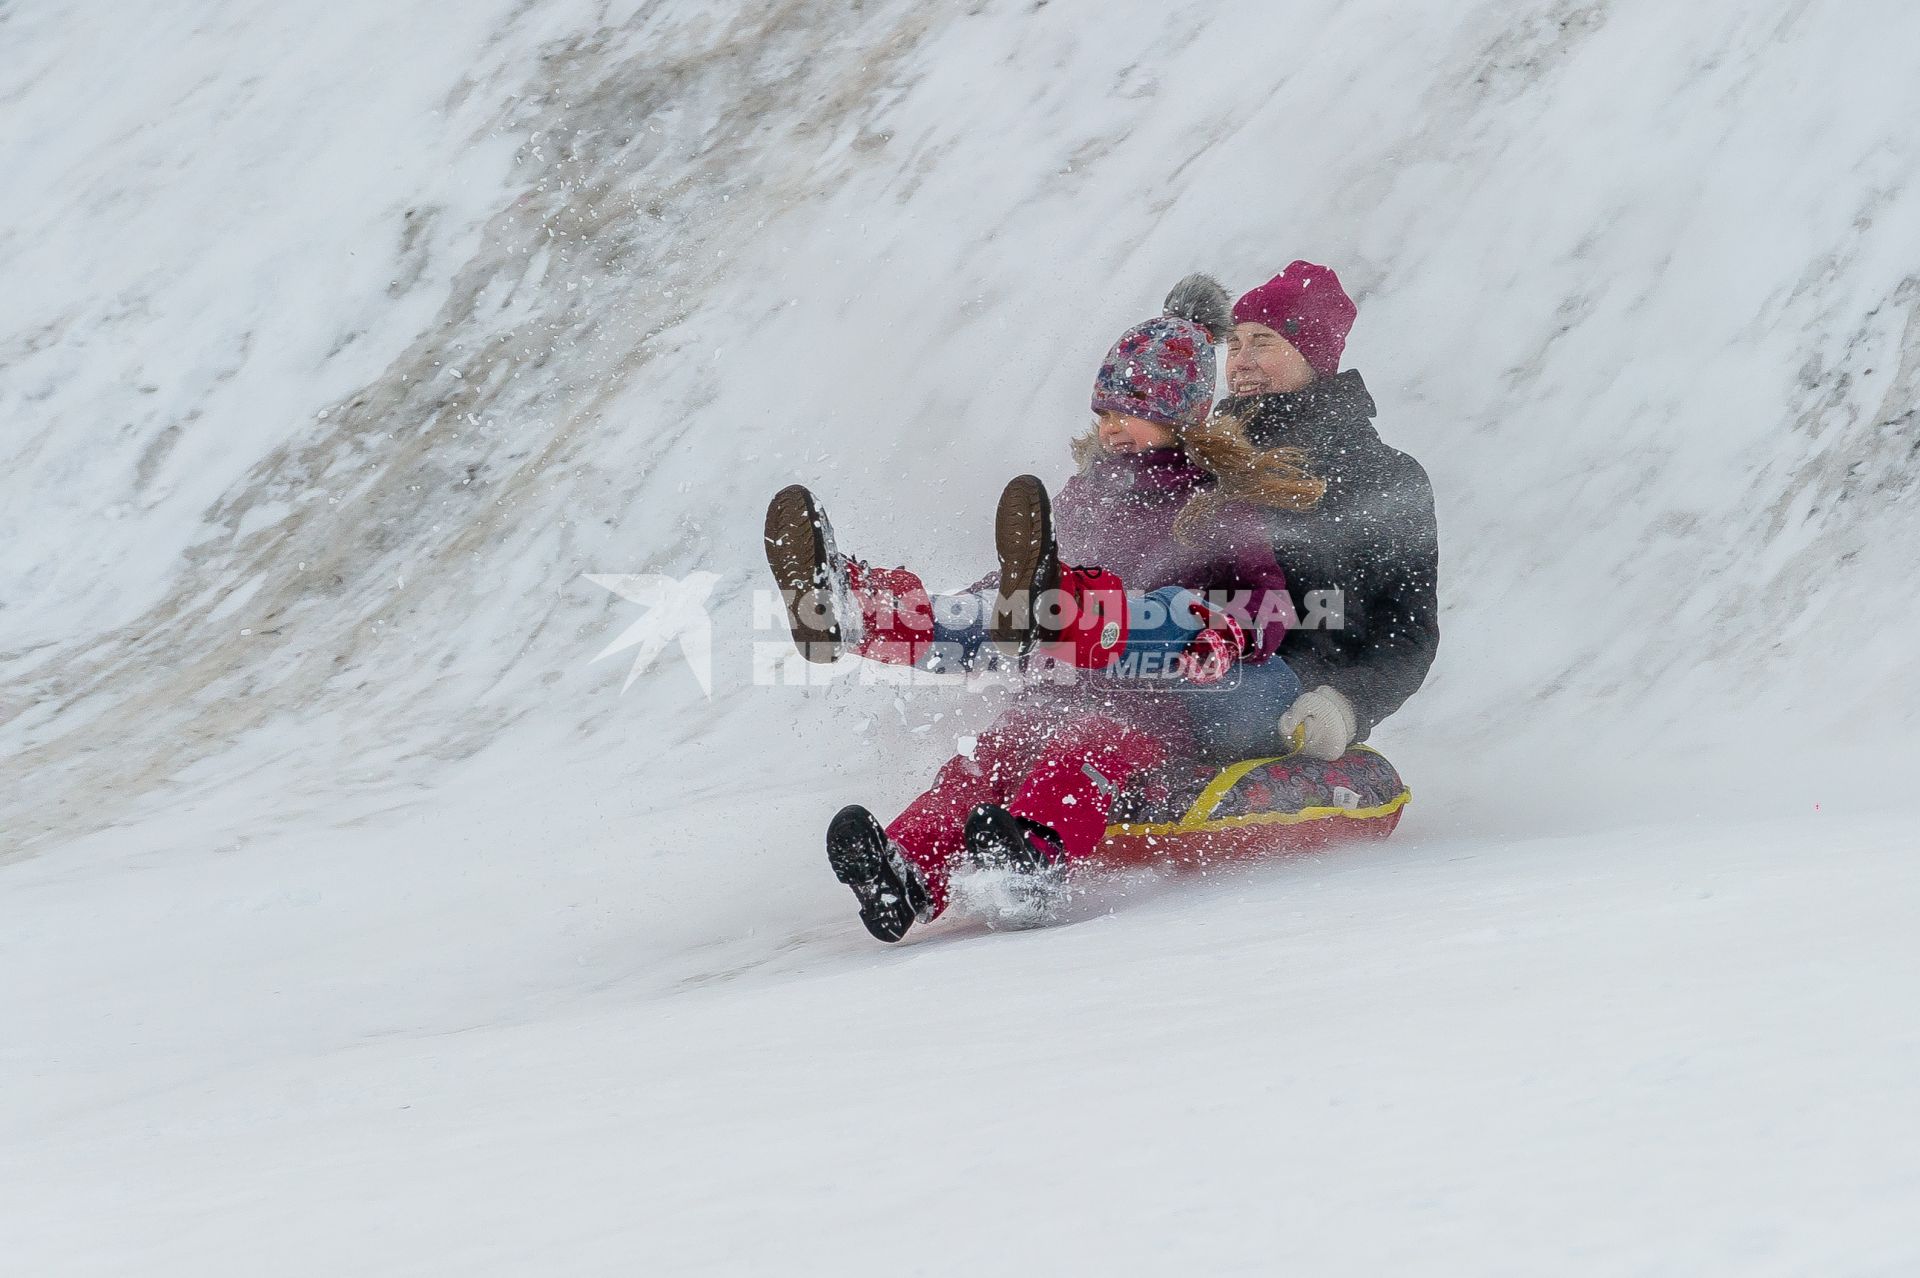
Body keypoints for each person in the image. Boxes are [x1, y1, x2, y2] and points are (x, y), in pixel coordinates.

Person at [764, 277, 1322, 942]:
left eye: (1132, 407)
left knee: (1078, 750)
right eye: (1105, 409)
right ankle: (901, 865)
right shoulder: (1086, 497)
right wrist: (990, 605)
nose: (1112, 423)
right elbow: (1013, 583)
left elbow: (1270, 604)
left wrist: (1227, 633)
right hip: (1060, 680)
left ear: (1182, 414)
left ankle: (1029, 868)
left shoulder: (1214, 504)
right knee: (984, 762)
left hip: (1154, 699)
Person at [1216, 262, 1440, 761]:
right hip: (1193, 667)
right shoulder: (1202, 464)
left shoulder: (1386, 480)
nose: (1242, 361)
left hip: (1291, 695)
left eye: (1263, 343)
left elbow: (1407, 632)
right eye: (1233, 345)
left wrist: (1346, 704)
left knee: (1231, 708)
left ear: (1312, 355)